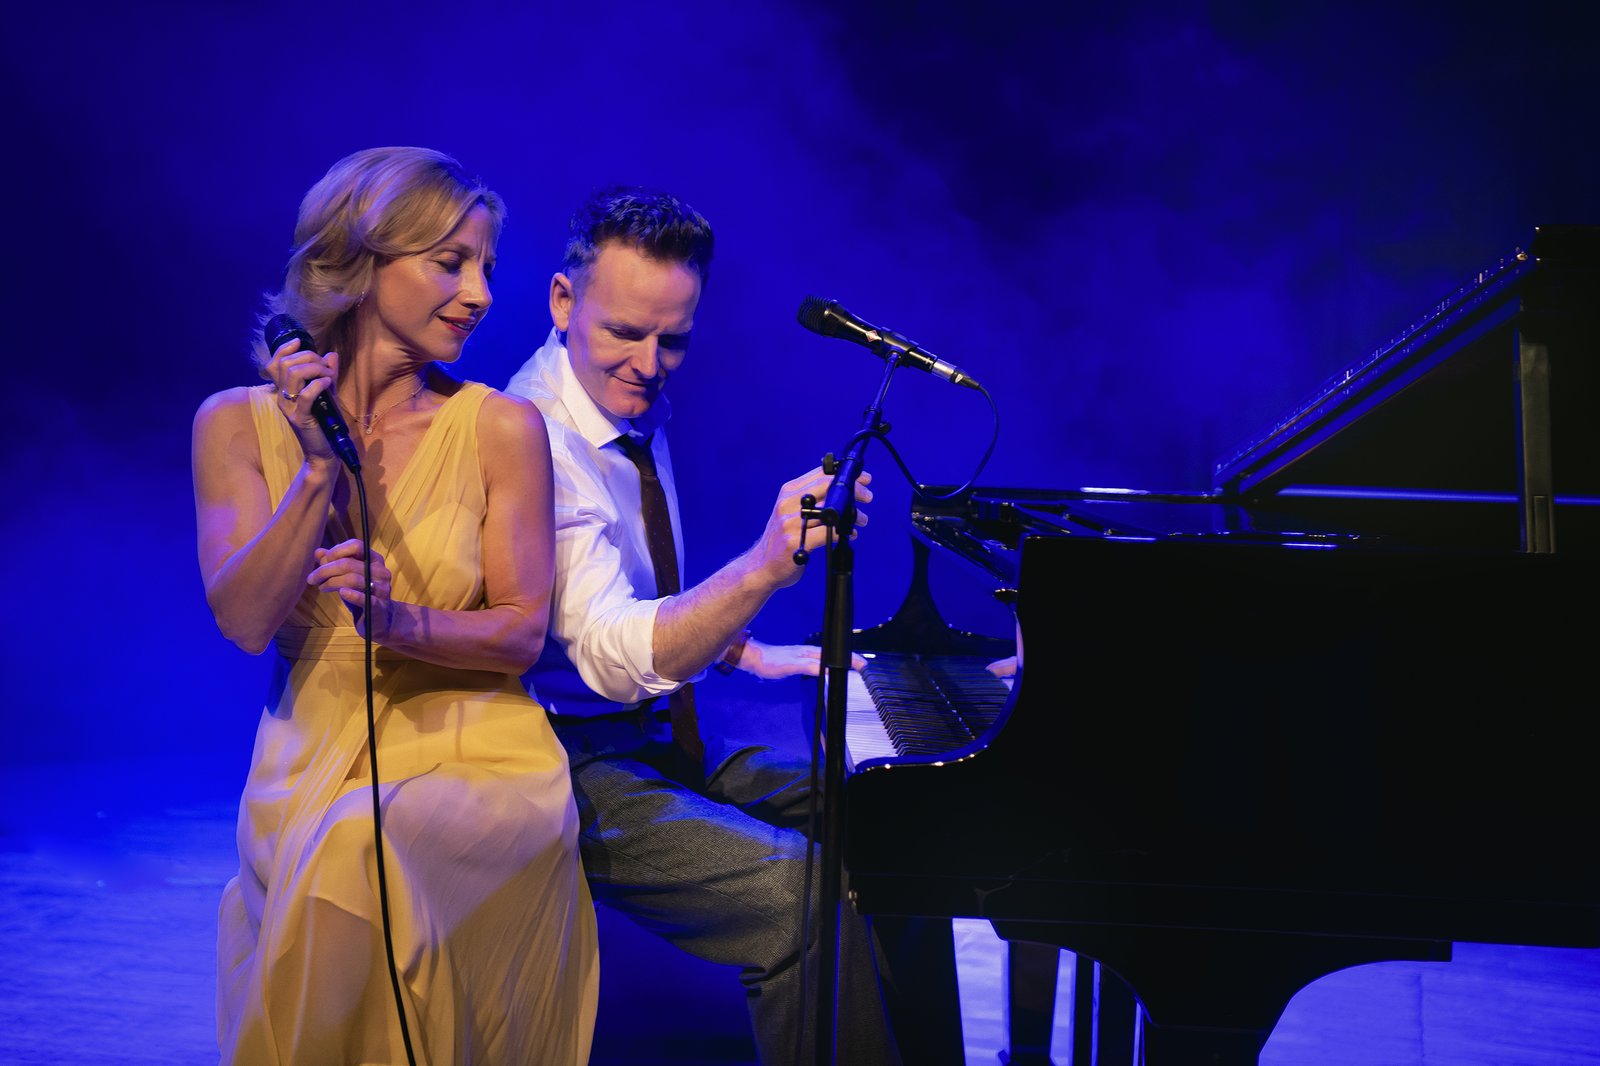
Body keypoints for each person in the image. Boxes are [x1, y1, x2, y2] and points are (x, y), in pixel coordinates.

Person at [506, 185, 964, 1064]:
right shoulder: (536, 437)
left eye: (673, 339)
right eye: (625, 333)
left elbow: (625, 590)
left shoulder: (621, 400)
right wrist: (760, 568)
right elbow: (605, 656)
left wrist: (747, 650)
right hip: (571, 767)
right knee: (799, 895)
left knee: (899, 820)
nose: (650, 363)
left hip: (654, 734)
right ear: (563, 301)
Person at [193, 146, 597, 1065]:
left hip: (479, 749)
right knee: (339, 859)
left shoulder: (502, 426)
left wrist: (402, 623)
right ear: (361, 262)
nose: (480, 293)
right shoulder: (233, 425)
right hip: (306, 751)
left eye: (486, 267)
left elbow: (521, 633)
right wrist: (317, 472)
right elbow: (246, 622)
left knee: (354, 851)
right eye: (451, 263)